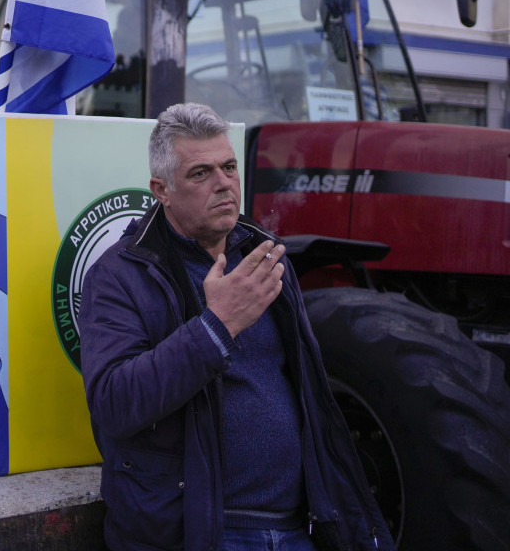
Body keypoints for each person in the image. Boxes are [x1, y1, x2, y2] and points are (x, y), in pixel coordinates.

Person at [77, 103, 393, 551]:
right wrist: (216, 326)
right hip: (202, 531)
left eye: (228, 167)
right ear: (161, 190)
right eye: (200, 173)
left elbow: (310, 394)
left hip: (296, 528)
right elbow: (114, 403)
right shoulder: (121, 274)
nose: (224, 183)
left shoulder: (265, 256)